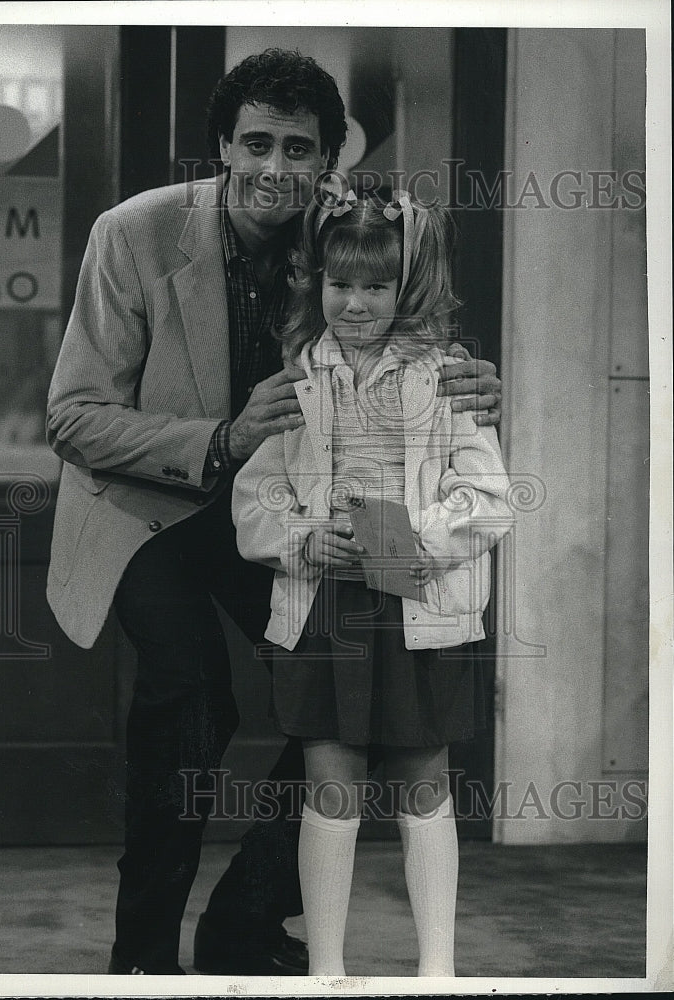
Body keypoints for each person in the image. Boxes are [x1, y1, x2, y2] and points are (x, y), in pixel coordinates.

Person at [45, 48, 503, 976]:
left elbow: (407, 314)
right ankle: (140, 958)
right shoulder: (131, 234)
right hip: (152, 509)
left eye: (299, 149)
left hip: (289, 513)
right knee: (190, 697)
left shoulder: (337, 235)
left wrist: (473, 380)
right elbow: (72, 417)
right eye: (255, 143)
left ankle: (246, 921)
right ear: (222, 145)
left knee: (342, 695)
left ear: (328, 161)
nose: (274, 169)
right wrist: (218, 437)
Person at [231, 188, 514, 976]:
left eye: (375, 287)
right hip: (326, 598)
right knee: (330, 779)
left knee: (423, 776)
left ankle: (438, 972)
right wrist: (303, 536)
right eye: (338, 284)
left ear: (405, 288)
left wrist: (414, 539)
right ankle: (326, 969)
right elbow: (254, 497)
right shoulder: (298, 378)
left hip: (415, 596)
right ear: (314, 282)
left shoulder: (447, 378)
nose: (353, 305)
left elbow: (489, 498)